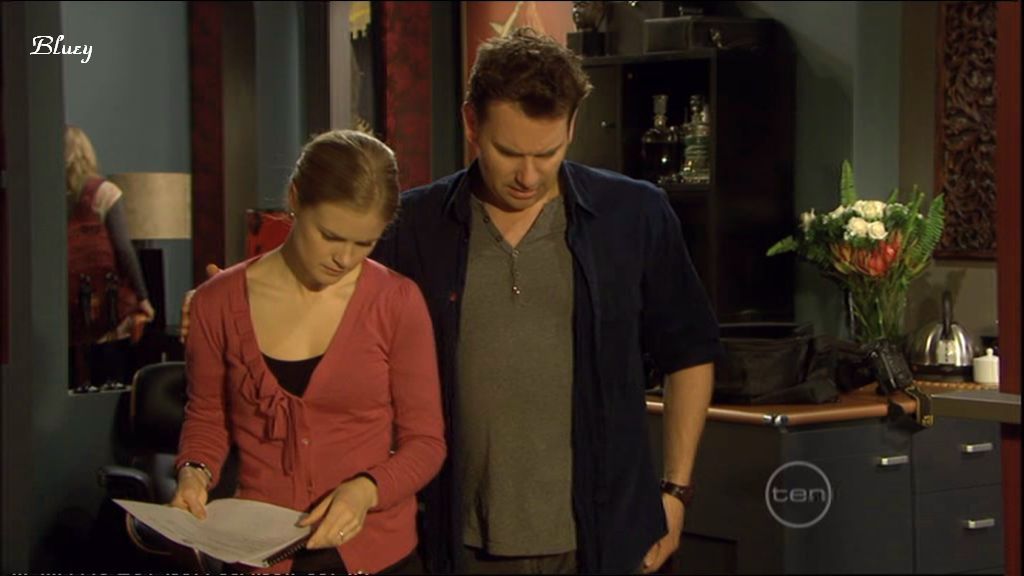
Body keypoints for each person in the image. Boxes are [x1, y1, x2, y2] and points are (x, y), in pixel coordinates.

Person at [183, 28, 719, 575]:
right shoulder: (415, 225)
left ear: (572, 128)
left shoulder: (634, 215)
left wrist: (675, 491)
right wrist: (227, 301)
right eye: (507, 152)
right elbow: (326, 284)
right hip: (455, 539)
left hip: (607, 535)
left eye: (548, 153)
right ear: (471, 124)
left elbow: (690, 353)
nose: (528, 175)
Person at [171, 129, 446, 575]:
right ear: (295, 199)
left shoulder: (396, 302)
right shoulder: (215, 302)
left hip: (380, 555)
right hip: (260, 554)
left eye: (364, 243)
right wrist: (194, 474)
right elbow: (207, 416)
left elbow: (426, 443)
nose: (345, 259)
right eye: (330, 236)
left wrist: (367, 490)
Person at [66, 125, 156, 390]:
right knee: (112, 373)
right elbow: (123, 248)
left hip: (64, 306)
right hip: (106, 303)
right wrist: (143, 297)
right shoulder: (104, 192)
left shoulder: (45, 194)